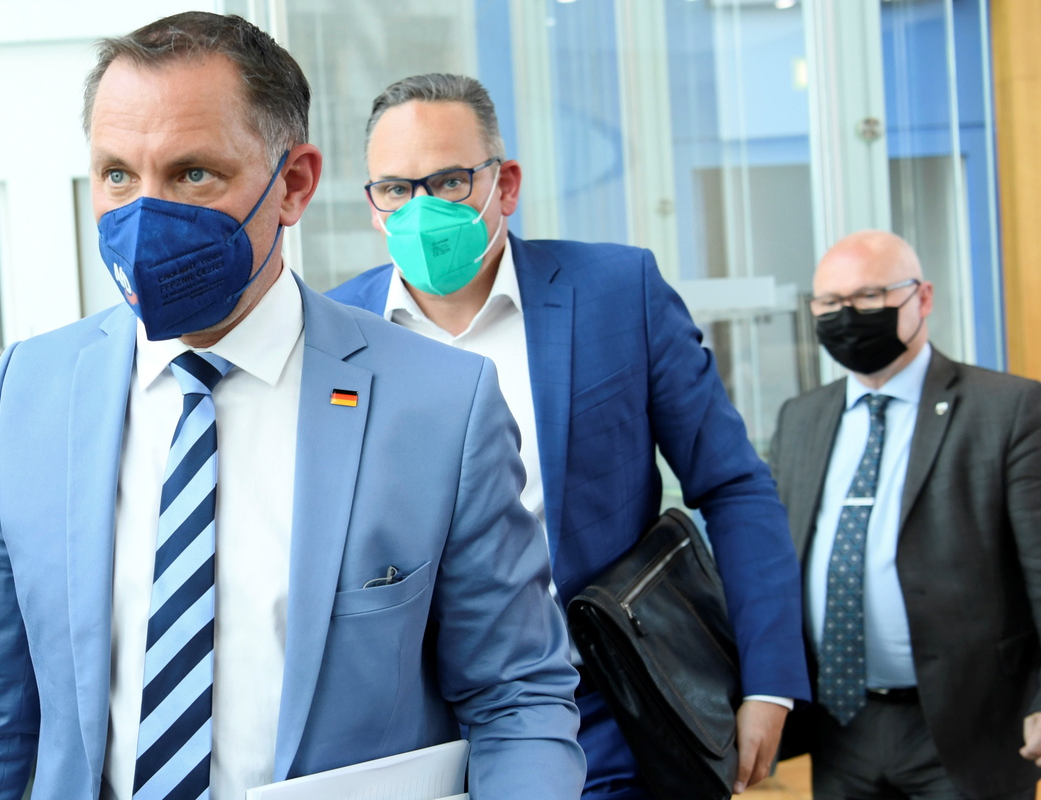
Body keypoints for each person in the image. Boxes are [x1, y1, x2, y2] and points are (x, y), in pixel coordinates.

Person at [0, 15, 585, 800]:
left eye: (193, 174)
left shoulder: (440, 405)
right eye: (118, 175)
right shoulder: (27, 397)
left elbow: (516, 699)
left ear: (294, 184)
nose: (145, 216)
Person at [327, 73, 811, 799]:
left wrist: (769, 680)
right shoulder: (337, 335)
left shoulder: (619, 292)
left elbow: (733, 485)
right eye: (396, 189)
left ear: (505, 184)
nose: (422, 208)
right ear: (373, 205)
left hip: (604, 718)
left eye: (451, 181)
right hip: (414, 740)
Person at [769, 230, 1041, 799]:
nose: (847, 316)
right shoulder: (801, 418)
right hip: (840, 724)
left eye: (869, 297)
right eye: (829, 302)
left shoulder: (1010, 409)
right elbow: (774, 564)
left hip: (967, 728)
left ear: (923, 297)